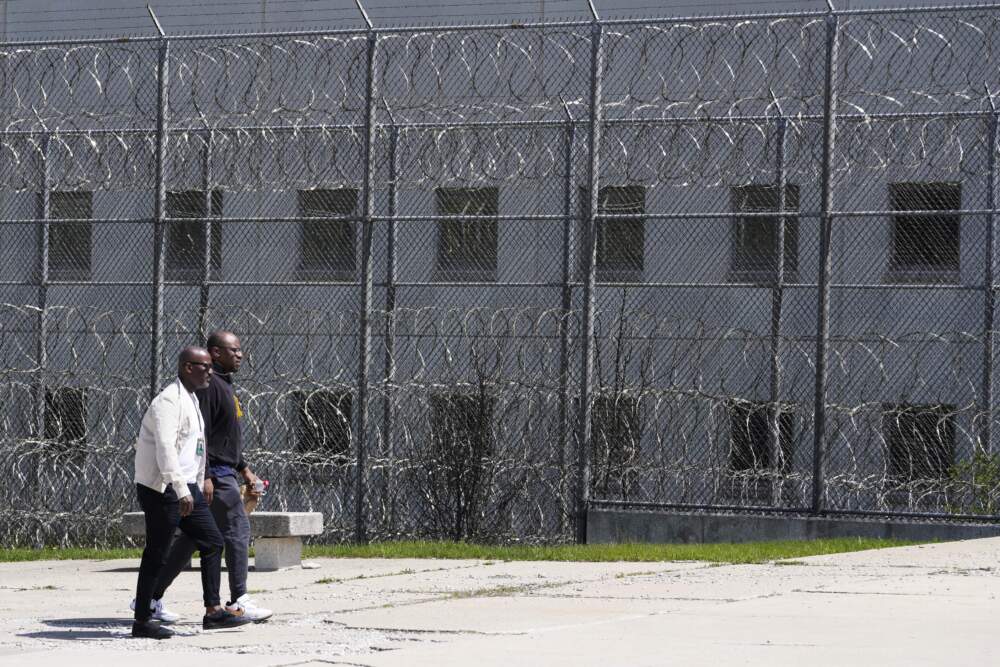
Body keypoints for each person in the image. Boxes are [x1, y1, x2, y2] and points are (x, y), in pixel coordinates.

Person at [149, 331, 272, 622]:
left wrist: (244, 468)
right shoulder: (208, 386)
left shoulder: (223, 385)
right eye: (234, 349)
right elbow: (200, 435)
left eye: (241, 349)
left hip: (223, 470)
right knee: (238, 529)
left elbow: (224, 436)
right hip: (214, 474)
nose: (240, 354)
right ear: (215, 353)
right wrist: (206, 476)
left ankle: (150, 598)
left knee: (192, 538)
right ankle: (238, 599)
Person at [131, 346, 252, 639]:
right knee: (157, 553)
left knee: (211, 541)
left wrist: (200, 481)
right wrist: (180, 488)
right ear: (187, 367)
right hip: (163, 489)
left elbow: (197, 448)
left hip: (188, 488)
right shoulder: (168, 402)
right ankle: (142, 619)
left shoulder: (193, 401)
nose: (210, 371)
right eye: (205, 366)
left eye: (211, 366)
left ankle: (213, 612)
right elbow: (166, 449)